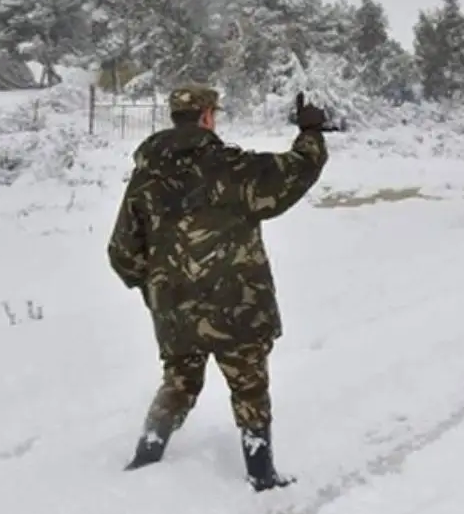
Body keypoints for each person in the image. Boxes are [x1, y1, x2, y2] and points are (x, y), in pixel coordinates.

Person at [107, 84, 329, 491]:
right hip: (236, 305)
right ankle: (261, 475)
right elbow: (295, 172)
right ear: (208, 116)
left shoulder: (145, 177)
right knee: (249, 384)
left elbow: (121, 250)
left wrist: (156, 288)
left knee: (178, 382)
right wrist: (311, 132)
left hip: (174, 309)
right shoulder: (232, 167)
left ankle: (146, 456)